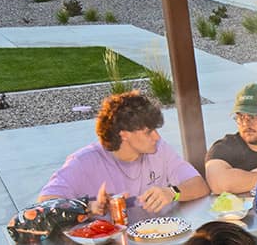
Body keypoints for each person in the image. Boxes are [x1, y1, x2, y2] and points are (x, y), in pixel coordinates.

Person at [39, 90, 208, 213]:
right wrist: (88, 207)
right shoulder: (83, 162)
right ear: (124, 134)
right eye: (149, 132)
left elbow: (200, 185)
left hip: (157, 238)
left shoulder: (159, 149)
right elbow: (46, 203)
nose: (157, 137)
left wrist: (173, 192)